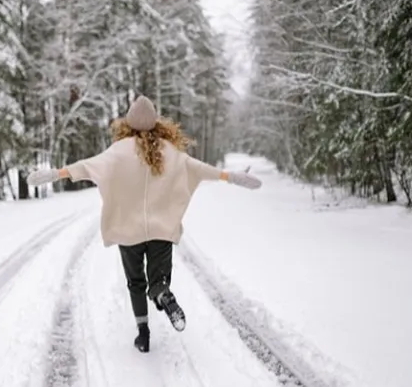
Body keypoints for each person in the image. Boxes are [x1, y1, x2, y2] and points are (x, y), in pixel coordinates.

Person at [26, 95, 261, 353]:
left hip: (128, 233)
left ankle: (143, 334)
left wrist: (56, 174)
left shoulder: (118, 151)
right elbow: (199, 169)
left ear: (128, 122)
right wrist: (231, 177)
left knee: (135, 283)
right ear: (156, 122)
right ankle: (163, 294)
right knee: (158, 278)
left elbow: (87, 167)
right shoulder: (170, 152)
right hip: (161, 230)